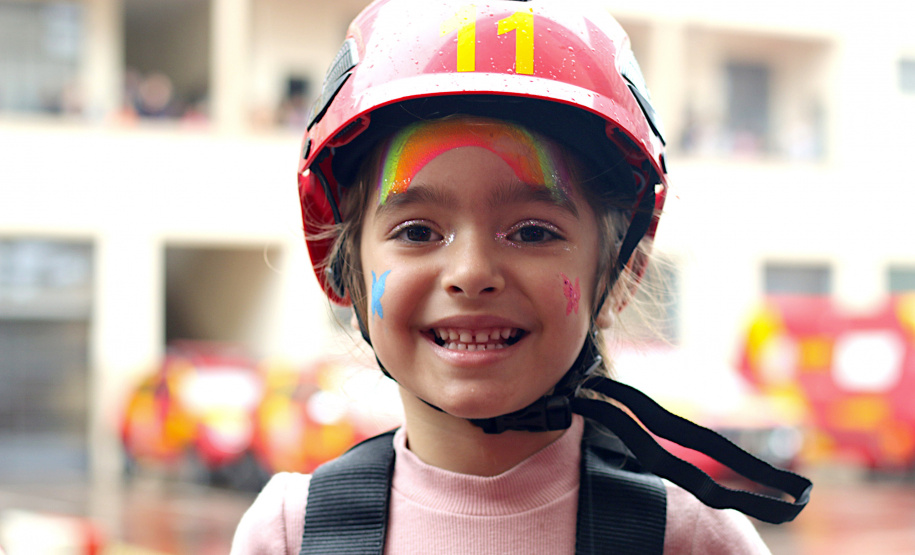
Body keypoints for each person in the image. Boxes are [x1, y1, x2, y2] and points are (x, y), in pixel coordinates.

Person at [232, 1, 810, 553]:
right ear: (343, 266)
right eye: (417, 231)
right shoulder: (292, 534)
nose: (471, 273)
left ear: (620, 271)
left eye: (532, 232)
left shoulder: (687, 538)